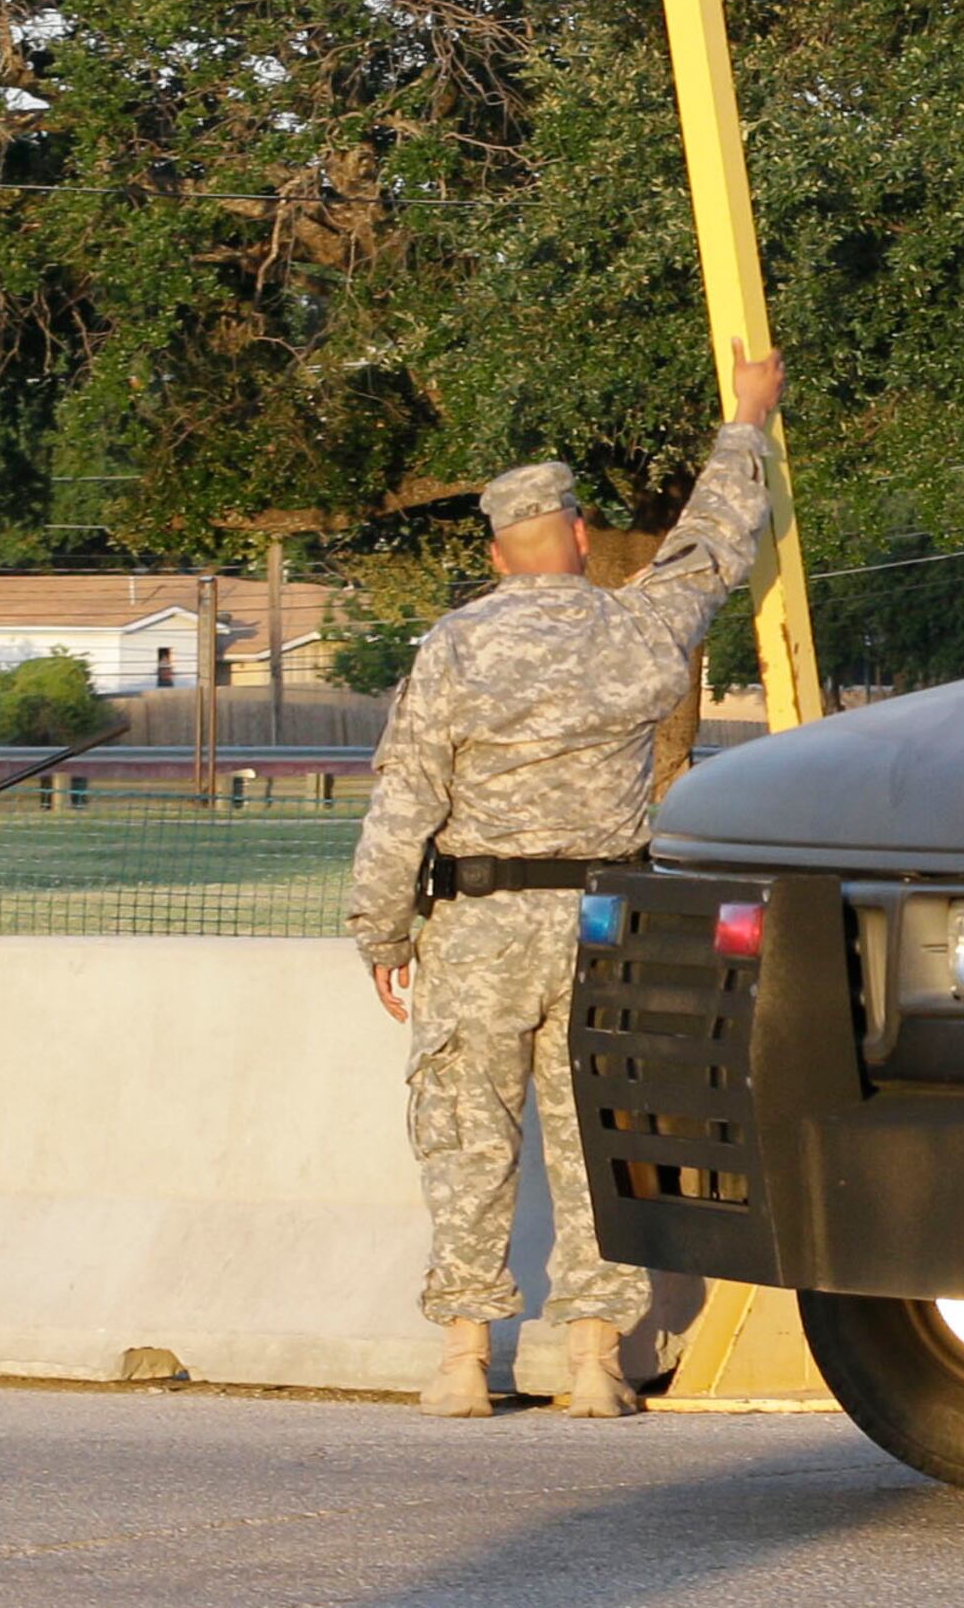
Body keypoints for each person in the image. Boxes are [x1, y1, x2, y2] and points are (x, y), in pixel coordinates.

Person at [348, 342, 787, 1418]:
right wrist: (747, 417)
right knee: (599, 1137)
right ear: (581, 539)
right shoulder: (638, 624)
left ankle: (464, 1358)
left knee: (467, 1133)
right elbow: (712, 547)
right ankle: (596, 1359)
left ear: (499, 553)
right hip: (604, 920)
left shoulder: (454, 647)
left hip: (478, 925)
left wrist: (381, 934)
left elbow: (405, 799)